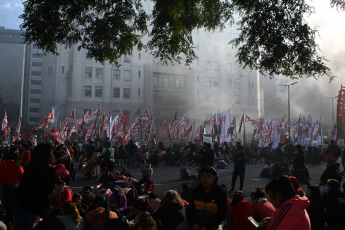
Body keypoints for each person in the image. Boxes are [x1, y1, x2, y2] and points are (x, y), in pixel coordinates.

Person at [12, 143, 57, 230]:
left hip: (26, 208)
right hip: (27, 209)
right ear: (45, 155)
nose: (53, 155)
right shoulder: (41, 172)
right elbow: (35, 194)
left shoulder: (33, 169)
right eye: (51, 152)